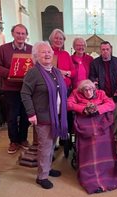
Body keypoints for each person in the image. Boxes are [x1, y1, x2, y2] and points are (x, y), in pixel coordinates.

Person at [67, 79, 117, 194]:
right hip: (84, 120)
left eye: (90, 89)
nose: (89, 92)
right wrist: (83, 109)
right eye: (86, 90)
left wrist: (97, 109)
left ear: (94, 89)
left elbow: (111, 104)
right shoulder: (76, 93)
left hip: (100, 120)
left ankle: (107, 170)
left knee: (104, 136)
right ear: (81, 90)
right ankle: (90, 174)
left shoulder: (101, 93)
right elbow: (69, 104)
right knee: (90, 136)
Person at [21, 41, 68, 189]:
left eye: (49, 51)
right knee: (45, 147)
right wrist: (31, 113)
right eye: (43, 52)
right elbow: (25, 93)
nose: (47, 54)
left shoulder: (54, 70)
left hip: (56, 116)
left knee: (52, 145)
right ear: (36, 56)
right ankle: (42, 177)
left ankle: (47, 168)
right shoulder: (33, 72)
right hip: (43, 117)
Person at [0, 24, 31, 154]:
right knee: (12, 116)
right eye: (18, 33)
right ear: (13, 34)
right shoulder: (4, 49)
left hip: (27, 89)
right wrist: (11, 73)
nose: (20, 36)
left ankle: (23, 139)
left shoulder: (31, 49)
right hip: (10, 89)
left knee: (26, 115)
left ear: (26, 35)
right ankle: (14, 141)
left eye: (23, 33)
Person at [89, 41, 117, 142]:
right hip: (101, 98)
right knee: (101, 119)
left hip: (114, 96)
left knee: (114, 118)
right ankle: (102, 139)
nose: (105, 51)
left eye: (107, 49)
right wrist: (95, 84)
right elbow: (92, 78)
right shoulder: (95, 63)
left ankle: (114, 139)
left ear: (111, 49)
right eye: (103, 49)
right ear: (100, 50)